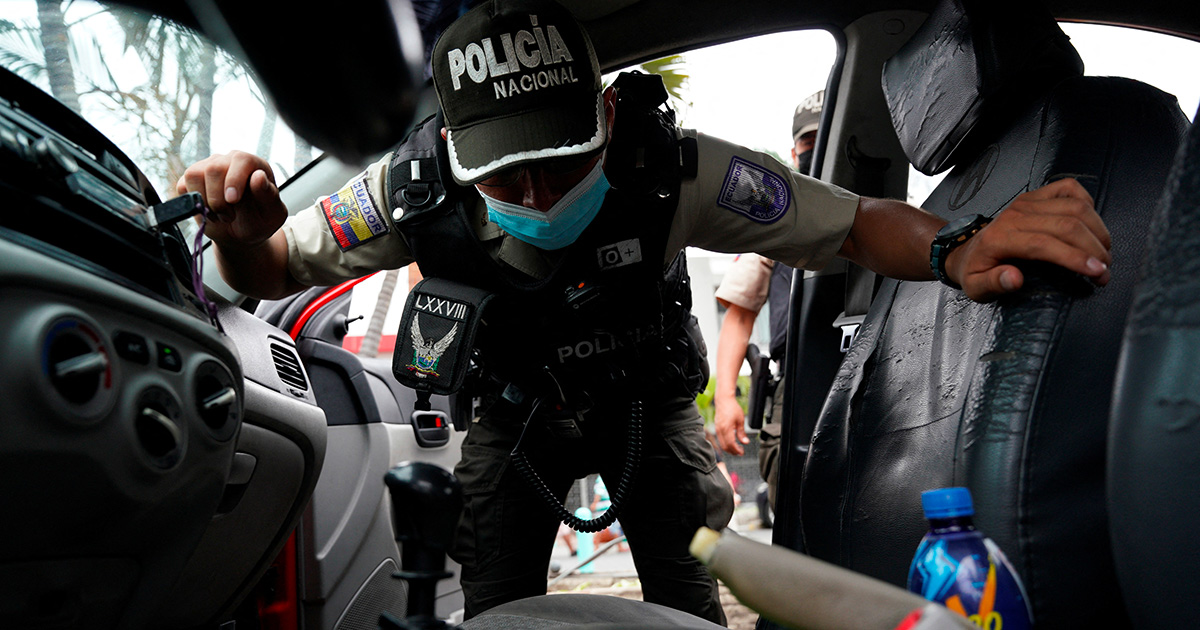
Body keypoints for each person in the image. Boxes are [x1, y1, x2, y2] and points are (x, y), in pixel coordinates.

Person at [177, 0, 1111, 624]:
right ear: (455, 146)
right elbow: (265, 268)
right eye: (506, 170)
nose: (538, 193)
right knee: (496, 596)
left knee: (686, 585)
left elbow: (857, 226)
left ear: (610, 122)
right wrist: (236, 227)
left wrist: (957, 243)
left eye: (565, 155)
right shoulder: (406, 189)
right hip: (512, 416)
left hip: (649, 404)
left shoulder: (681, 169)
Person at [712, 91, 823, 514]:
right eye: (809, 143)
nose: (815, 151)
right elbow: (738, 317)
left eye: (824, 136)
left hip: (880, 373)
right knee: (794, 509)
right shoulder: (775, 219)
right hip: (795, 383)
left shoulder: (889, 216)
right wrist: (725, 398)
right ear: (795, 152)